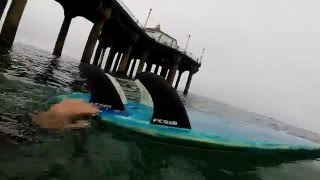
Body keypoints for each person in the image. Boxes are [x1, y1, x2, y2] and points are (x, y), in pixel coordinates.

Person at [32, 99, 99, 130]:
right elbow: (62, 126)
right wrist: (77, 126)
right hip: (40, 125)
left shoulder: (76, 101)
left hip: (38, 115)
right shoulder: (82, 104)